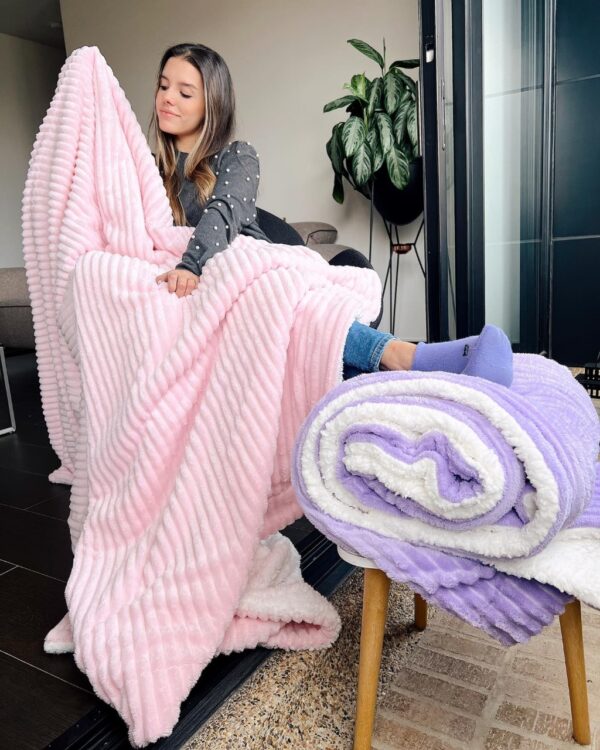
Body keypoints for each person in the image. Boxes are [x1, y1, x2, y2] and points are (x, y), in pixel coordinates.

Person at [151, 43, 512, 387]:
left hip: (254, 269)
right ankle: (415, 370)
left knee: (277, 296)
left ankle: (405, 356)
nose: (168, 98)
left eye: (185, 93)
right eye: (164, 86)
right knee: (327, 365)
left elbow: (225, 210)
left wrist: (191, 265)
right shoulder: (148, 171)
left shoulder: (236, 155)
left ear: (212, 104)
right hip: (207, 287)